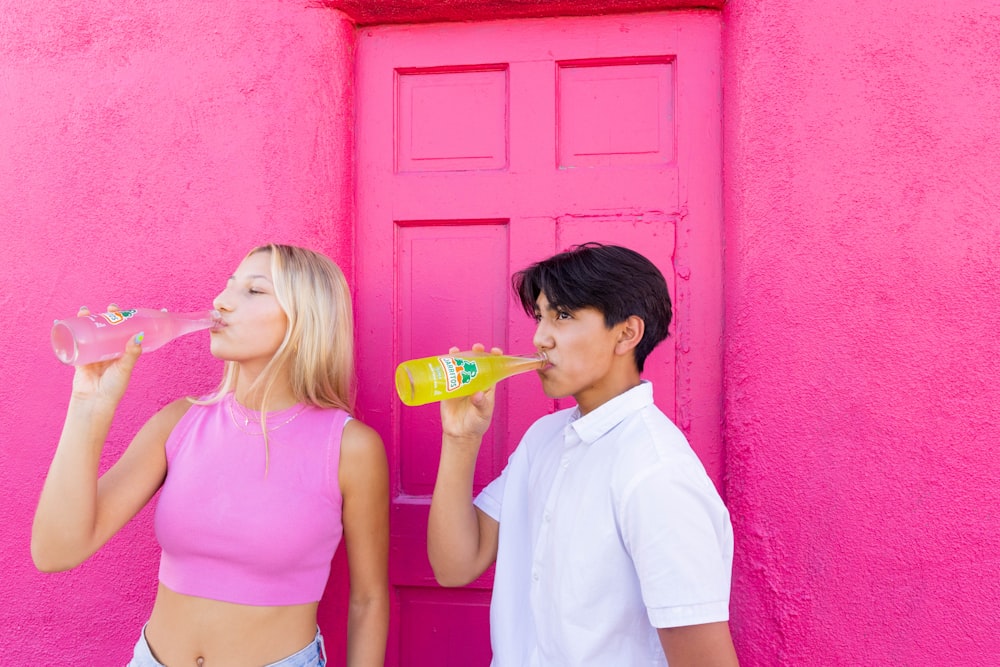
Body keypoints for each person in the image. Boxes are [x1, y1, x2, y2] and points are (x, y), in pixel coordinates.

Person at [32, 244, 389, 667]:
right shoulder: (179, 422)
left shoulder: (350, 448)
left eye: (255, 291)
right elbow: (55, 551)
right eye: (228, 285)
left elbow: (368, 599)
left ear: (306, 318)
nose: (221, 301)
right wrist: (88, 405)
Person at [427, 243, 738, 666]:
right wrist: (460, 439)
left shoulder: (656, 474)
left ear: (627, 333)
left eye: (564, 315)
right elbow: (455, 566)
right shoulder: (545, 439)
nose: (540, 337)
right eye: (540, 316)